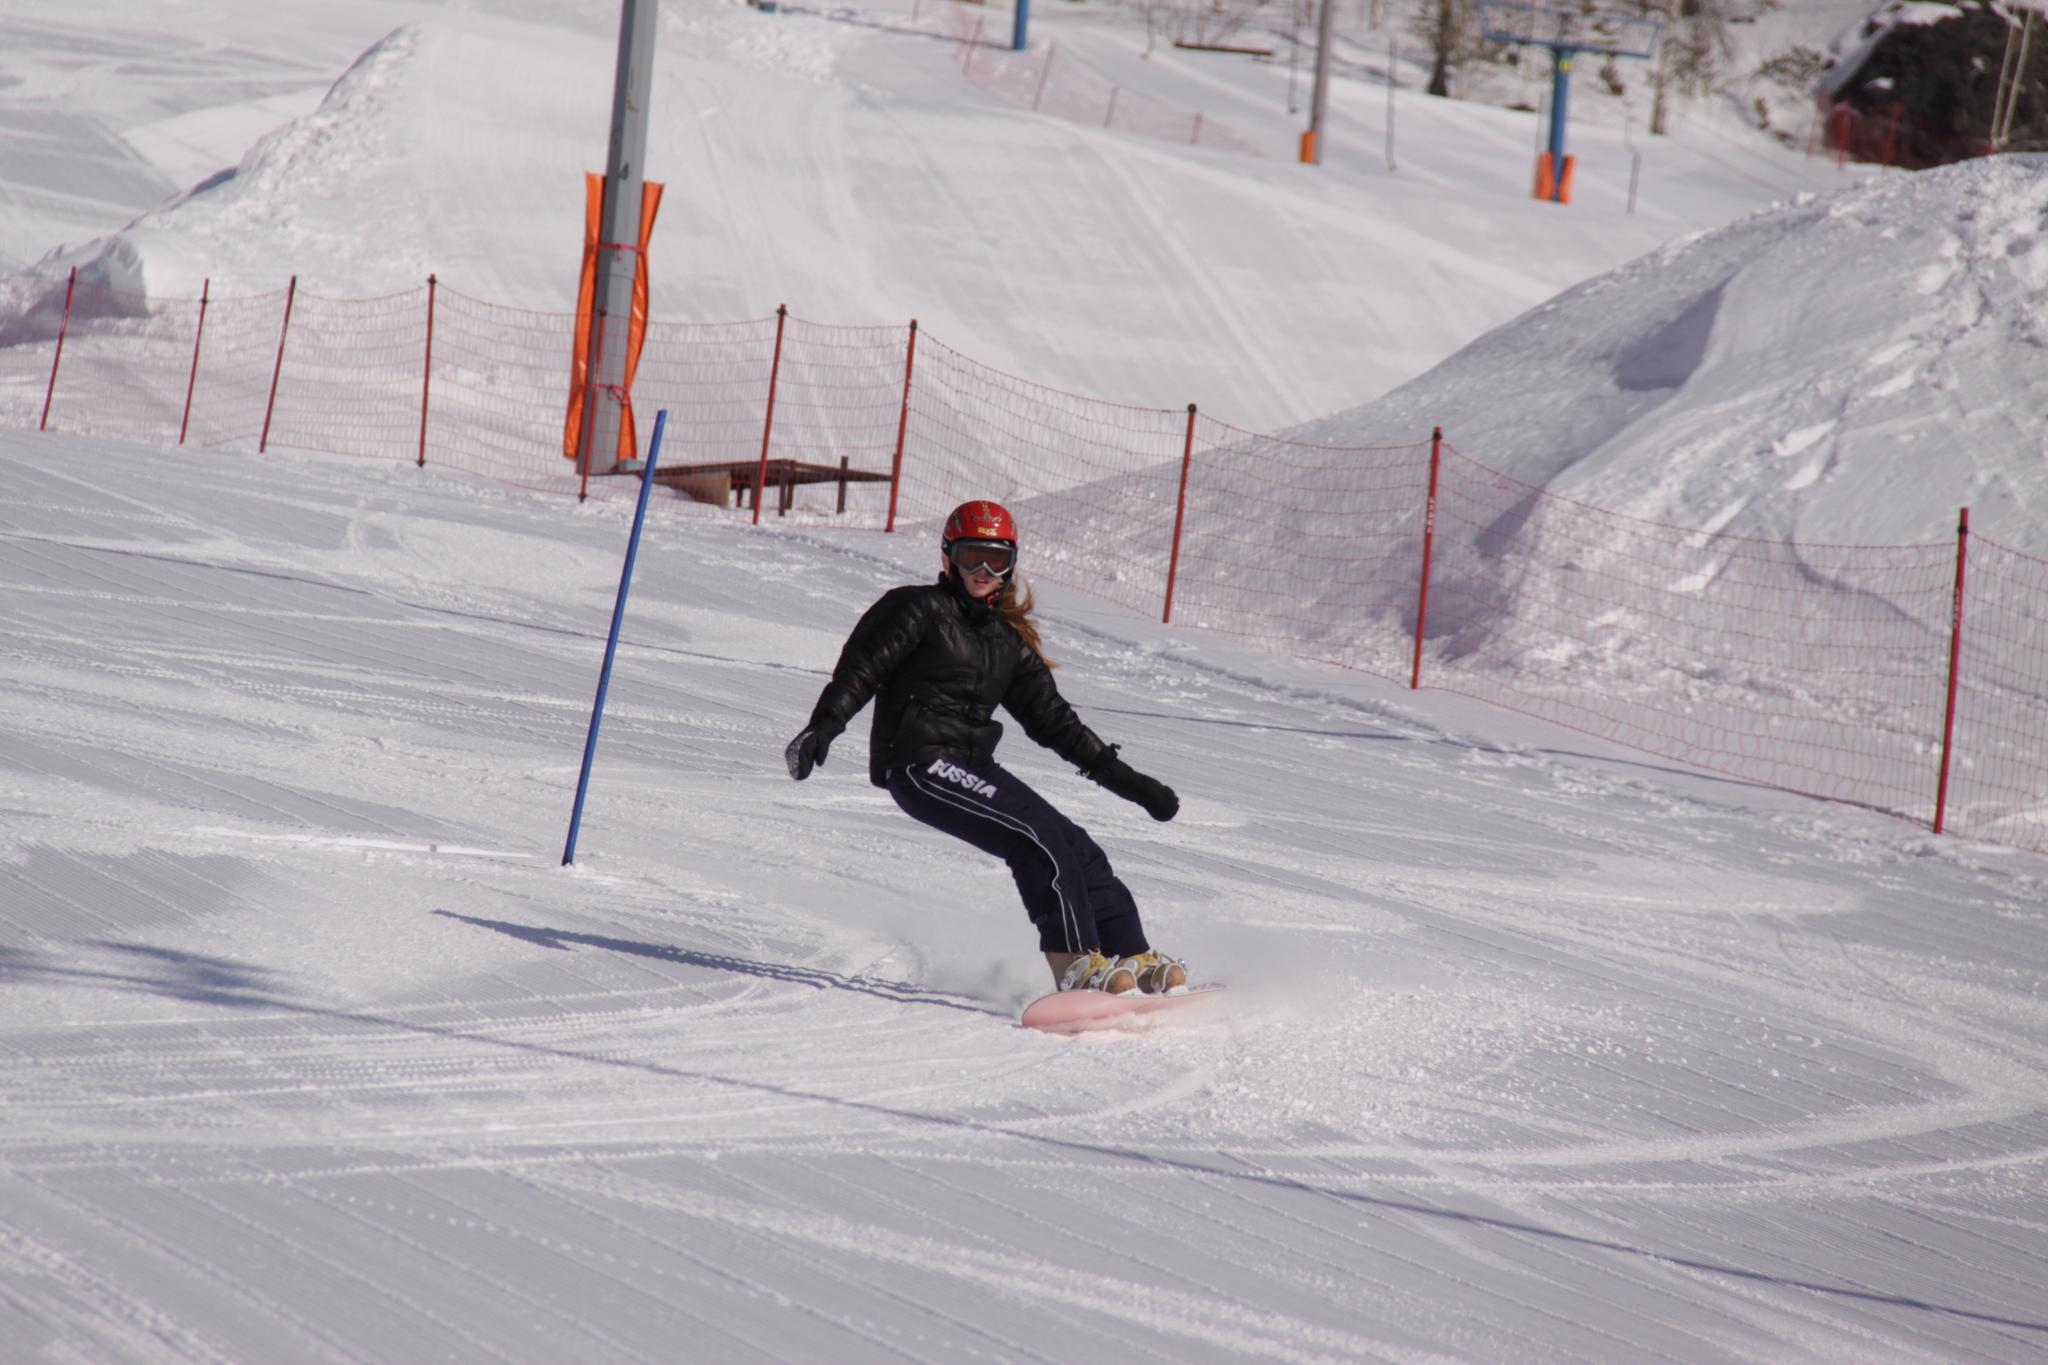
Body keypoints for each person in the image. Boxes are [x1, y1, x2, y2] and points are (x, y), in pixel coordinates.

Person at [784, 500, 1187, 996]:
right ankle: (1078, 965)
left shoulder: (1006, 642)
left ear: (1010, 565)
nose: (982, 570)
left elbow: (1056, 723)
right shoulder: (916, 609)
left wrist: (1134, 785)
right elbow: (862, 669)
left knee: (1078, 848)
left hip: (974, 766)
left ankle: (1132, 958)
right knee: (1037, 841)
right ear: (948, 558)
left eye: (995, 559)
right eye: (971, 556)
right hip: (919, 762)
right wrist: (823, 727)